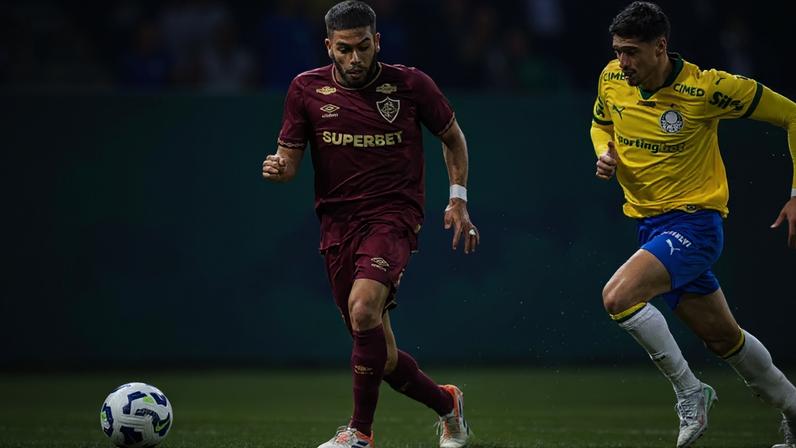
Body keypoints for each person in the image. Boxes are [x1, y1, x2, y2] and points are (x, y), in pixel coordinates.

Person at [261, 2, 478, 447]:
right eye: (345, 49)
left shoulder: (411, 84)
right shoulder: (306, 89)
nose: (356, 58)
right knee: (382, 353)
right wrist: (279, 167)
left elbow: (452, 137)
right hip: (338, 227)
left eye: (364, 47)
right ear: (329, 47)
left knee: (363, 310)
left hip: (394, 217)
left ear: (377, 41)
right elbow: (290, 160)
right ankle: (446, 404)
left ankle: (359, 433)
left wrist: (458, 199)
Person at [590, 2, 796, 447]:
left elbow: (793, 115)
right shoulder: (611, 79)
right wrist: (604, 153)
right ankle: (795, 408)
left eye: (631, 52)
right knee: (726, 341)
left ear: (660, 47)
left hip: (695, 225)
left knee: (618, 297)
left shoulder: (707, 90)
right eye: (617, 51)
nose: (622, 62)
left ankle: (690, 391)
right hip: (650, 226)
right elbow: (600, 124)